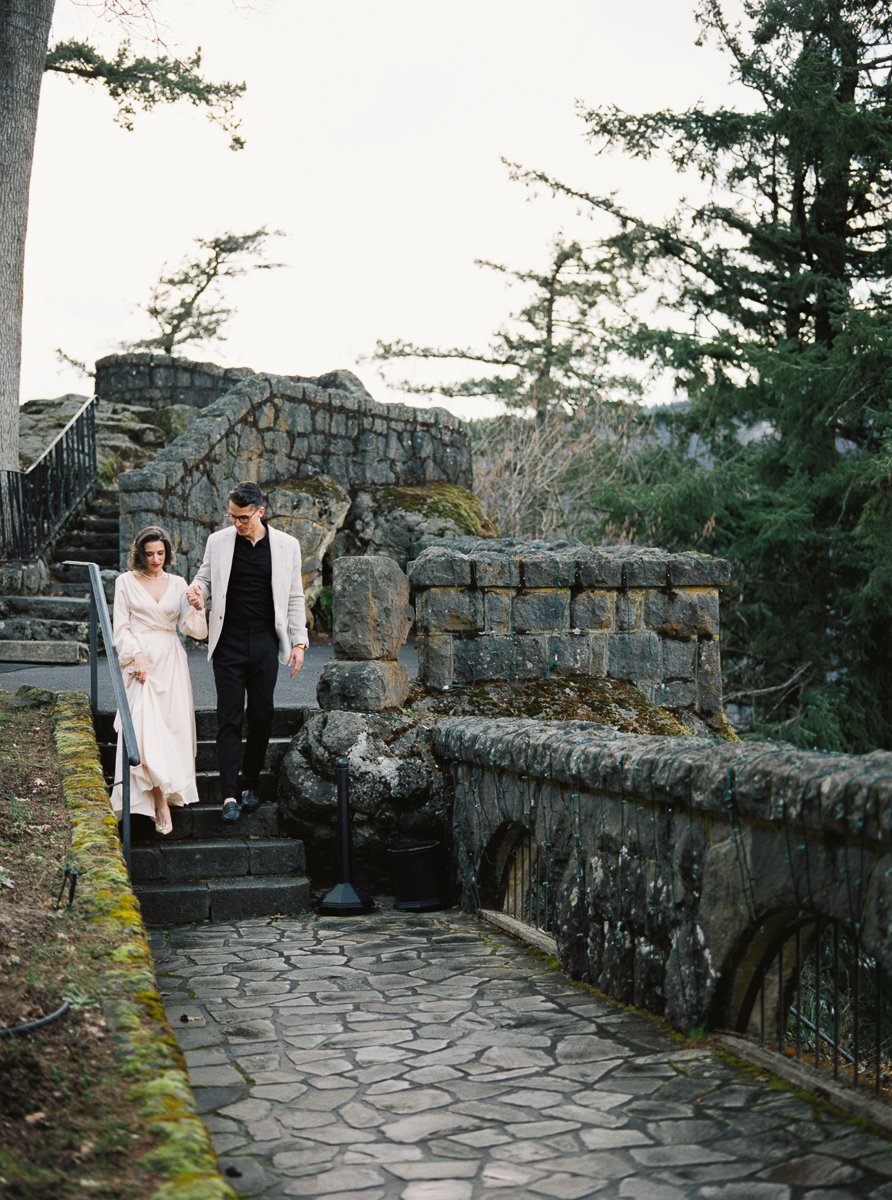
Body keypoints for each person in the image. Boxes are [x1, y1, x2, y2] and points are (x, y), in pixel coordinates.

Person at [186, 481, 308, 823]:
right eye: (232, 516)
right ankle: (227, 794)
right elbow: (204, 579)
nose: (237, 523)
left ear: (260, 512)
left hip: (267, 641)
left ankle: (250, 783)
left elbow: (295, 596)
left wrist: (299, 643)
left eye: (243, 517)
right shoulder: (218, 541)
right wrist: (198, 593)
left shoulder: (287, 546)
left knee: (261, 715)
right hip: (228, 640)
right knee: (228, 717)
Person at [111, 525, 208, 834]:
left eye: (160, 553)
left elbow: (195, 630)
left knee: (170, 729)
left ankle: (164, 793)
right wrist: (134, 656)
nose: (155, 559)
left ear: (168, 553)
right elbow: (121, 627)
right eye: (150, 553)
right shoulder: (125, 582)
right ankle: (158, 799)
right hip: (140, 662)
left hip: (170, 660)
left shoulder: (179, 583)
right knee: (142, 728)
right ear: (140, 553)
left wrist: (198, 607)